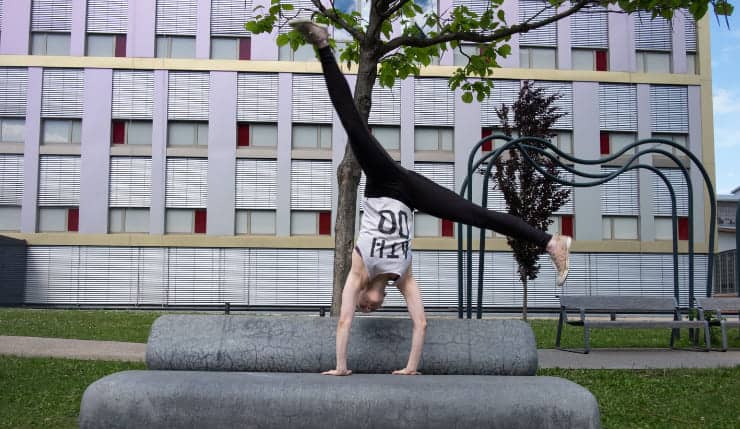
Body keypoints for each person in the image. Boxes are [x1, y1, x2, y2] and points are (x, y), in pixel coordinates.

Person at [289, 19, 572, 377]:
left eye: (363, 306)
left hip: (383, 181)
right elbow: (420, 324)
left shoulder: (357, 268)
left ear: (360, 292)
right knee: (476, 215)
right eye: (370, 309)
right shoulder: (402, 275)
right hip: (410, 192)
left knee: (352, 124)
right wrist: (410, 368)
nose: (366, 309)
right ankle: (552, 241)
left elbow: (343, 321)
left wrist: (341, 367)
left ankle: (323, 46)